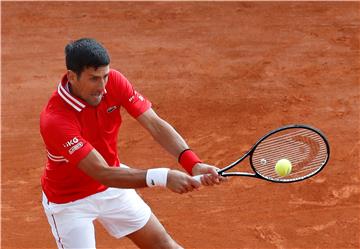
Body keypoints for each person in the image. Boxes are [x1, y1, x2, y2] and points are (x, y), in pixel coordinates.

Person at [40, 38, 224, 249]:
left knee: (163, 245)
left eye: (105, 77)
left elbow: (154, 124)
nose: (102, 87)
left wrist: (194, 164)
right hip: (70, 203)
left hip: (114, 186)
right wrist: (163, 177)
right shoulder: (55, 120)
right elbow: (102, 172)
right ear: (72, 76)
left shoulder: (114, 83)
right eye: (93, 79)